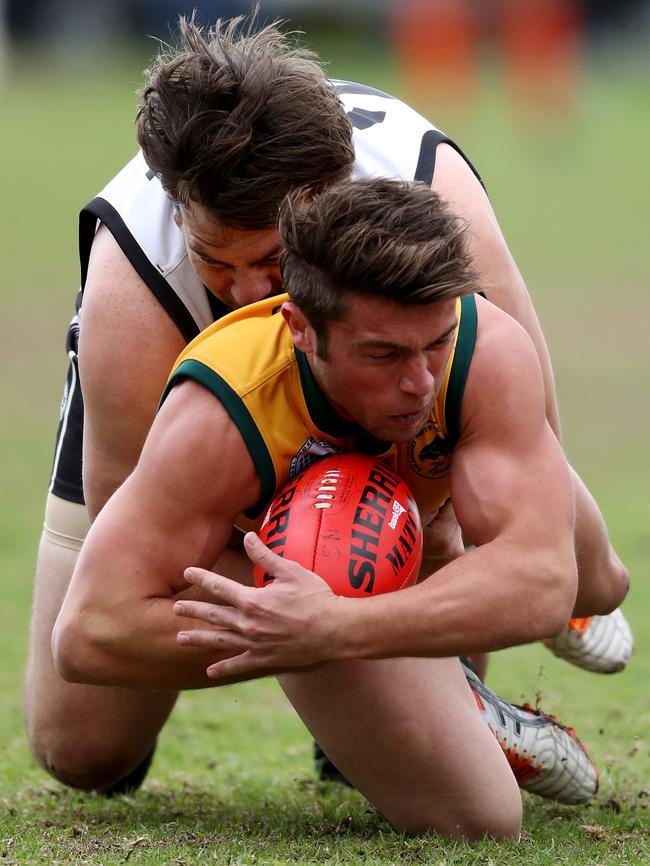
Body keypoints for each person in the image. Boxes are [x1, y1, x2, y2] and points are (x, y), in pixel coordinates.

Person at [25, 14, 629, 802]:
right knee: (81, 745)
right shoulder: (135, 293)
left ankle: (448, 696)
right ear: (179, 218)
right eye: (216, 262)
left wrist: (426, 551)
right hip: (207, 430)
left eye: (272, 263)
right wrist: (312, 607)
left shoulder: (438, 210)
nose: (246, 292)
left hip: (392, 411)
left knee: (588, 577)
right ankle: (447, 698)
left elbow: (522, 437)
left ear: (328, 207)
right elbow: (141, 559)